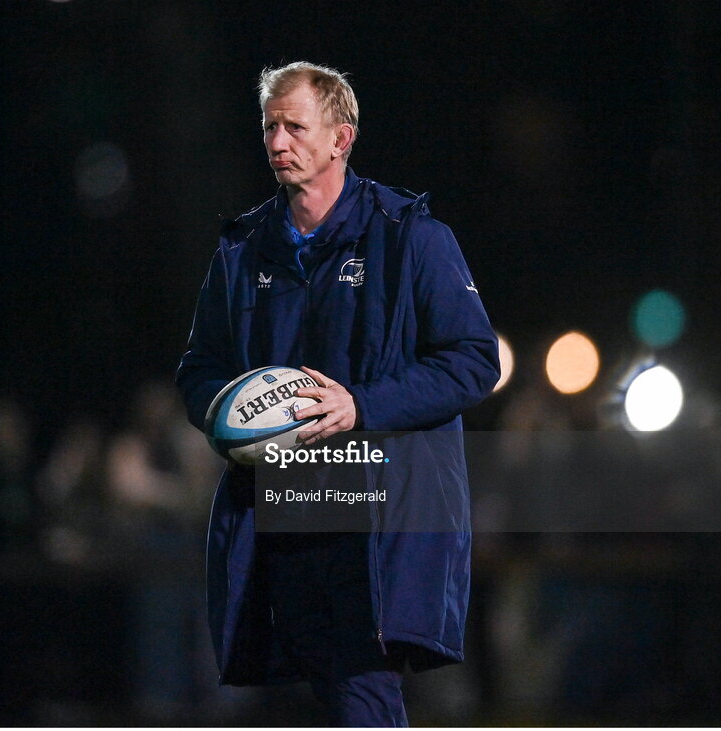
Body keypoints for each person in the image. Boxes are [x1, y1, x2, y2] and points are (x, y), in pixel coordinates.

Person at [176, 61, 500, 726]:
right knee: (320, 693)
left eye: (295, 126)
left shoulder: (412, 236)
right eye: (270, 127)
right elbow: (198, 368)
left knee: (361, 687)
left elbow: (474, 360)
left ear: (340, 139)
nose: (277, 142)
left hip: (373, 514)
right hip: (280, 510)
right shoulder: (241, 251)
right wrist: (222, 413)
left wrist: (363, 405)